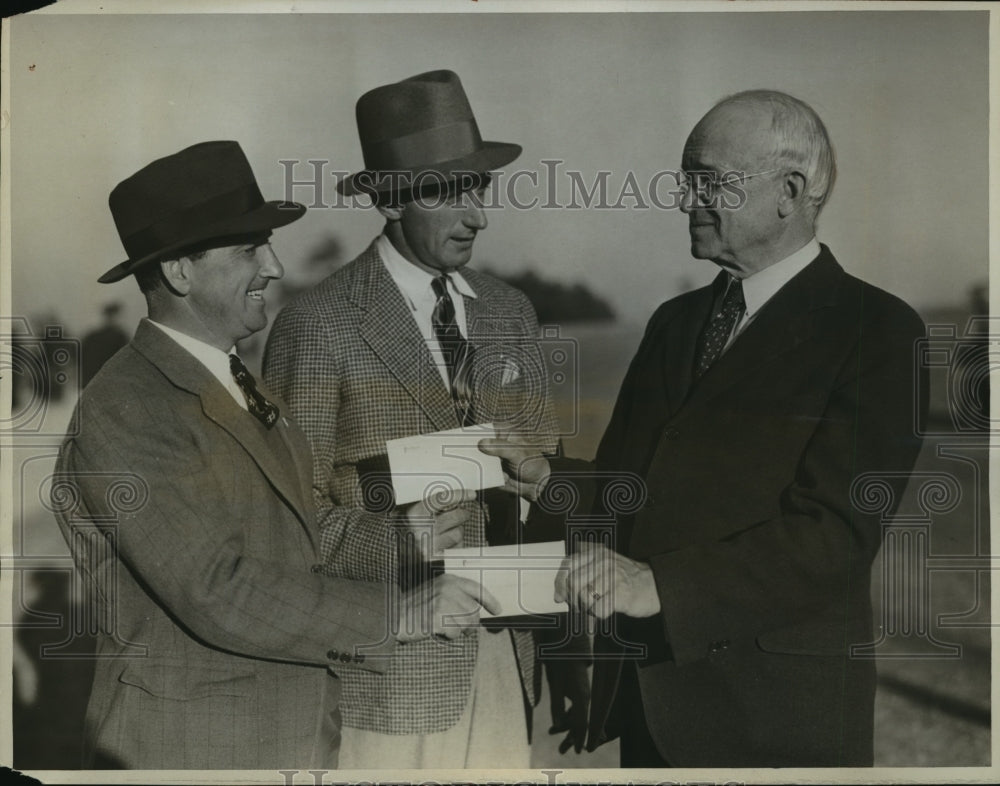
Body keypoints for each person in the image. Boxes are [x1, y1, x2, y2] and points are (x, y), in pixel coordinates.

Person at [482, 90, 928, 767]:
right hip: (654, 708)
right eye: (684, 179)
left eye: (709, 181)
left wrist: (661, 585)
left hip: (777, 720)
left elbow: (834, 534)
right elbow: (631, 487)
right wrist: (549, 481)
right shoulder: (675, 323)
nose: (685, 199)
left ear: (789, 191)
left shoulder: (880, 331)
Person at [53, 140, 494, 770]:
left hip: (287, 737)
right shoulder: (127, 407)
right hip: (189, 751)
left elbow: (289, 539)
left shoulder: (239, 383)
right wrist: (402, 612)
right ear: (180, 271)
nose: (275, 266)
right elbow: (214, 588)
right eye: (248, 250)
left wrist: (399, 538)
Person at [263, 70, 584, 769]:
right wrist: (392, 538)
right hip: (385, 685)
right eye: (449, 191)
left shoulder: (510, 313)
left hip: (507, 671)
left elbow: (549, 494)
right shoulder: (315, 327)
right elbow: (282, 526)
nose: (477, 216)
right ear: (389, 198)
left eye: (479, 188)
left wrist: (564, 658)